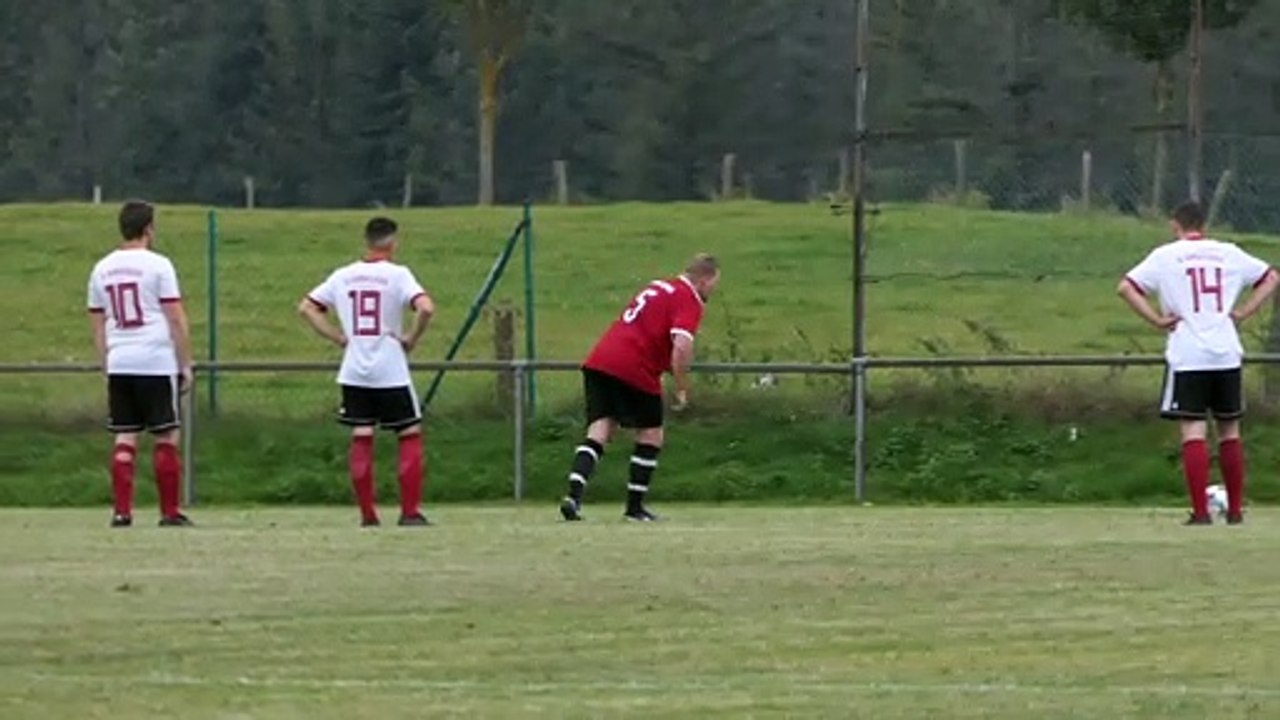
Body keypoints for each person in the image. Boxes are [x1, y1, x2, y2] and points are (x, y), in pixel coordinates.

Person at [1118, 200, 1278, 525]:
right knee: (1230, 430)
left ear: (1175, 225)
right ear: (1204, 225)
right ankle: (1234, 511)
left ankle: (1201, 512)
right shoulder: (1229, 252)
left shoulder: (1165, 256)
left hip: (1188, 354)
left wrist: (1157, 320)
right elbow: (1271, 277)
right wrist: (1245, 312)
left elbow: (1126, 287)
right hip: (1226, 352)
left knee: (1193, 430)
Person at [559, 254, 721, 522]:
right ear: (704, 280)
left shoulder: (658, 286)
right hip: (634, 366)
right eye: (714, 282)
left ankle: (573, 498)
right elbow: (681, 345)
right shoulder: (688, 298)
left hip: (600, 359)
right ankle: (634, 509)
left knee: (600, 428)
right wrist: (682, 385)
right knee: (651, 434)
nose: (712, 289)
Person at [298, 217, 435, 527]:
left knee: (362, 435)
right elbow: (426, 307)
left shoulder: (343, 276)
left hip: (354, 370)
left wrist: (338, 337)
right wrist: (412, 338)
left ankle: (368, 515)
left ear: (367, 241)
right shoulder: (398, 275)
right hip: (390, 368)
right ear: (393, 242)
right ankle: (409, 512)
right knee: (408, 435)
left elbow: (306, 307)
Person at [87, 200, 194, 528]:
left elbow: (97, 322)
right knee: (166, 436)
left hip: (120, 360)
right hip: (154, 360)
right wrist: (185, 362)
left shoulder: (101, 268)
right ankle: (169, 512)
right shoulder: (159, 265)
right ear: (149, 228)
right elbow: (175, 317)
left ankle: (122, 512)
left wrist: (106, 362)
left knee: (124, 437)